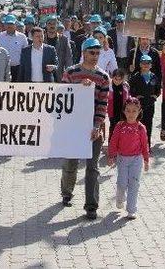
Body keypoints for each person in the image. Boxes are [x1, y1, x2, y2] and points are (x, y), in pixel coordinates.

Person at [60, 37, 110, 220]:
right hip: (73, 127)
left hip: (93, 128)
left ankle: (91, 205)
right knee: (70, 162)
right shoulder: (71, 73)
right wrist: (79, 88)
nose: (95, 56)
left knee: (92, 167)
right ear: (83, 53)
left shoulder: (104, 77)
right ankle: (66, 192)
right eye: (92, 52)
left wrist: (97, 126)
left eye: (98, 53)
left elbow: (102, 105)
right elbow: (62, 97)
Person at [107, 97, 150, 220]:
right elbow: (113, 142)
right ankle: (120, 199)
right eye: (128, 111)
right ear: (124, 112)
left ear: (139, 111)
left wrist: (146, 159)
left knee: (134, 184)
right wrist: (111, 155)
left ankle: (131, 210)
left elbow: (144, 144)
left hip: (136, 160)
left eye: (134, 111)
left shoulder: (141, 128)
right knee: (122, 183)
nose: (131, 114)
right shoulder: (120, 126)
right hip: (122, 159)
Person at [128, 55, 161, 149]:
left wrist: (155, 96)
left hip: (150, 104)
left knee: (148, 125)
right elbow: (129, 89)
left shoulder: (154, 77)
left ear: (151, 65)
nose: (146, 65)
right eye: (143, 63)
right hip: (138, 106)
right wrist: (135, 96)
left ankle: (147, 145)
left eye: (148, 63)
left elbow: (158, 89)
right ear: (140, 64)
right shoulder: (136, 76)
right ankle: (136, 145)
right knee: (138, 124)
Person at [0, 14, 28, 82]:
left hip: (18, 68)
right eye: (7, 23)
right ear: (4, 25)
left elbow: (26, 53)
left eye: (11, 23)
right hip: (3, 68)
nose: (9, 26)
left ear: (15, 24)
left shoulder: (22, 37)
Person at [44, 15, 73, 81]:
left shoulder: (64, 39)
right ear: (46, 25)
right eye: (49, 23)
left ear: (57, 25)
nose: (52, 26)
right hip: (44, 74)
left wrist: (68, 74)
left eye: (54, 23)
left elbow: (68, 58)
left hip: (59, 74)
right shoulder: (41, 39)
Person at [107, 68, 130, 141]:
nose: (117, 81)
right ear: (112, 77)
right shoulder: (109, 86)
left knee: (122, 128)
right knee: (113, 127)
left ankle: (120, 145)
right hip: (112, 111)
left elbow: (128, 98)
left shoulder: (125, 87)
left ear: (123, 79)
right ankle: (111, 144)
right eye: (115, 79)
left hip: (122, 111)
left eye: (119, 79)